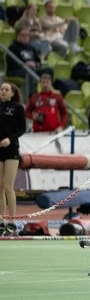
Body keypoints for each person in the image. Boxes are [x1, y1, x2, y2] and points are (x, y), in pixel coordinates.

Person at [0, 82, 26, 221]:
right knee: (0, 188)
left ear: (12, 93)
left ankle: (12, 221)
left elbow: (22, 128)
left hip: (11, 150)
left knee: (8, 187)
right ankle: (1, 220)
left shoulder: (17, 108)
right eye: (1, 89)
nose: (3, 91)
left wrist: (9, 140)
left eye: (6, 89)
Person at [25, 68, 68, 133]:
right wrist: (33, 116)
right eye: (43, 82)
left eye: (47, 82)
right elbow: (27, 111)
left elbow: (64, 113)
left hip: (54, 132)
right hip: (37, 133)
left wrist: (61, 126)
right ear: (39, 84)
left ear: (51, 83)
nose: (45, 84)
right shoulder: (34, 97)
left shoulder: (57, 96)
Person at [7, 28, 41, 97]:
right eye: (23, 35)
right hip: (16, 70)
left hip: (32, 69)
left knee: (49, 70)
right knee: (29, 70)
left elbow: (38, 62)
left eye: (27, 36)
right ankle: (31, 97)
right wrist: (24, 65)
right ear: (18, 36)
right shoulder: (13, 47)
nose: (25, 37)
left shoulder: (31, 48)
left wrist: (36, 64)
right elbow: (11, 64)